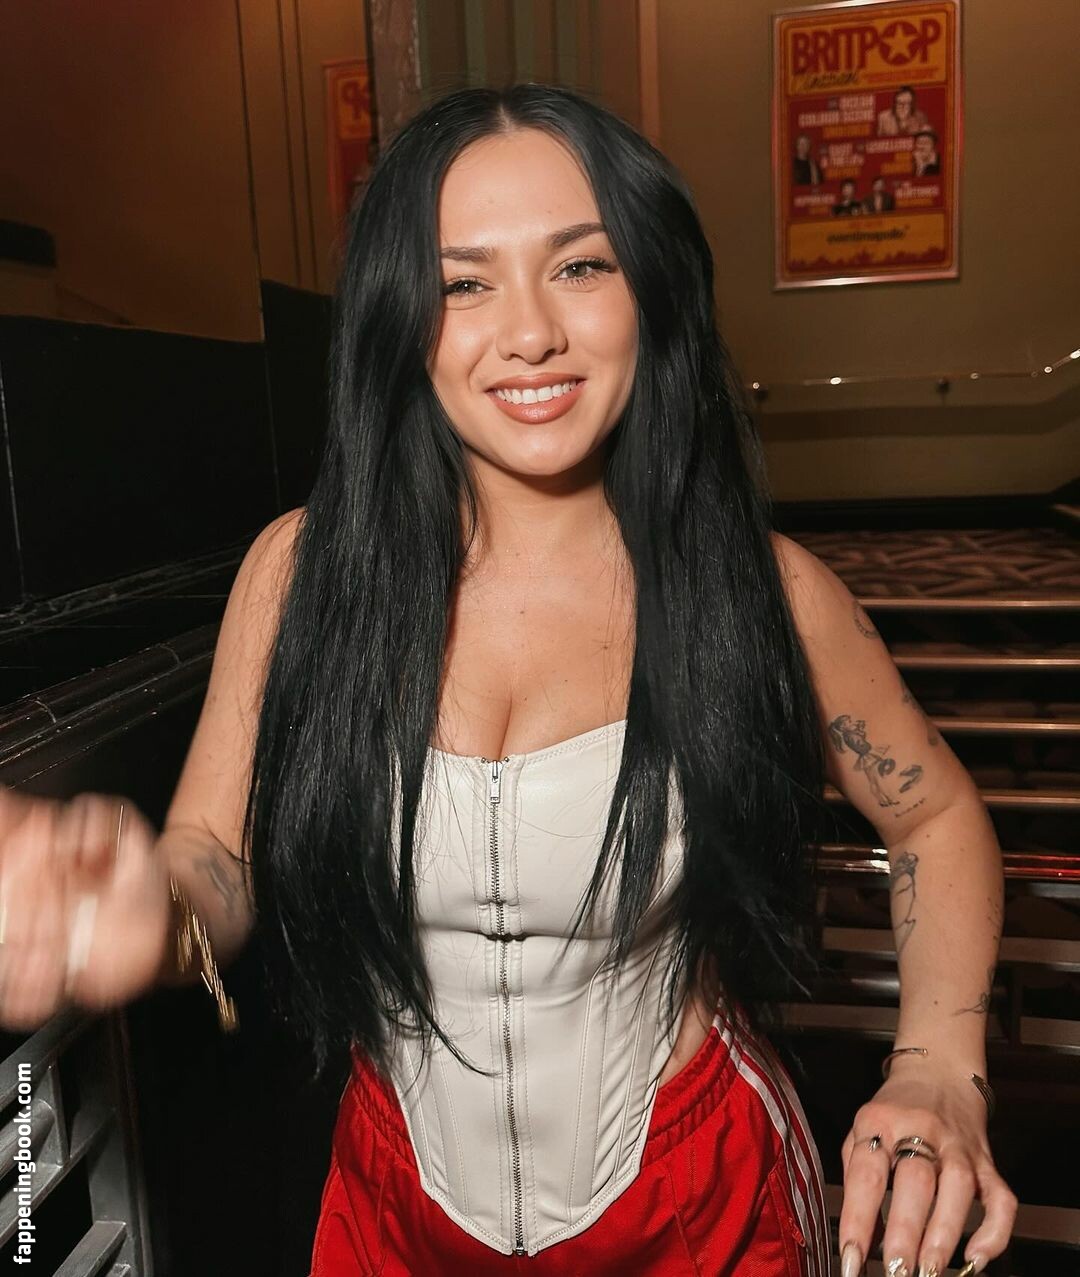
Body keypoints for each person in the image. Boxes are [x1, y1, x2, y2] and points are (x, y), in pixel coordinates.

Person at [0, 84, 1016, 1277]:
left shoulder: (762, 590)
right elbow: (214, 854)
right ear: (400, 318)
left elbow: (936, 815)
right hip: (392, 1203)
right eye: (464, 283)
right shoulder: (301, 575)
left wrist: (939, 1068)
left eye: (581, 266)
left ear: (652, 288)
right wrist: (143, 909)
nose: (529, 333)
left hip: (698, 1199)